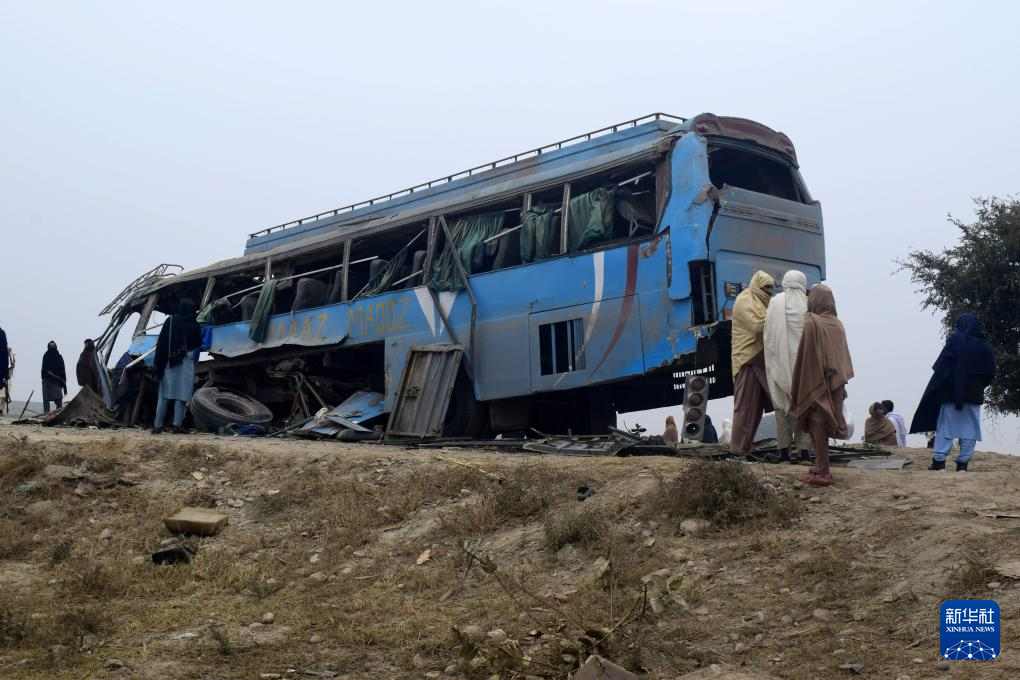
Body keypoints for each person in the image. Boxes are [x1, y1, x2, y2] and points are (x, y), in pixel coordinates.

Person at [910, 312, 996, 471]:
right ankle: (963, 464)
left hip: (951, 393)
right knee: (970, 429)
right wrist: (977, 386)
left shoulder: (955, 340)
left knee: (946, 427)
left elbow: (941, 366)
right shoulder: (985, 346)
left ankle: (939, 461)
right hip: (974, 394)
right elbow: (990, 373)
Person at [790, 284, 854, 486]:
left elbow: (806, 357)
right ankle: (819, 464)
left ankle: (823, 472)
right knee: (821, 424)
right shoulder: (838, 324)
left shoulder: (811, 322)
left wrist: (804, 382)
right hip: (836, 383)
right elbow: (843, 359)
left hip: (816, 382)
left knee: (817, 424)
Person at [764, 270, 811, 462]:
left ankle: (784, 451)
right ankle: (804, 451)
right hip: (803, 367)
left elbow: (768, 333)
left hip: (779, 364)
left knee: (782, 408)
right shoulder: (808, 304)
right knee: (805, 406)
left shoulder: (775, 302)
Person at [729, 271, 775, 456]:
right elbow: (758, 326)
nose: (770, 291)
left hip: (761, 359)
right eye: (766, 287)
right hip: (747, 359)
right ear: (757, 286)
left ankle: (744, 448)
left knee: (756, 409)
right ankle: (736, 449)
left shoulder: (763, 302)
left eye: (771, 287)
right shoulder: (745, 300)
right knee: (745, 407)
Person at [153, 298, 202, 434]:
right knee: (181, 396)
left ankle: (157, 426)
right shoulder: (195, 325)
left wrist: (158, 363)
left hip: (168, 362)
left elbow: (161, 342)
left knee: (163, 395)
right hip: (186, 361)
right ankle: (177, 426)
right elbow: (198, 343)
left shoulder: (170, 321)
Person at [41, 340, 67, 412]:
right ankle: (46, 415)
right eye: (51, 346)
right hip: (48, 381)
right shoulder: (46, 356)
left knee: (58, 401)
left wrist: (62, 381)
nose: (52, 347)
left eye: (53, 345)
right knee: (47, 401)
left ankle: (57, 414)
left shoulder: (59, 357)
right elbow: (44, 369)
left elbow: (62, 369)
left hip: (56, 382)